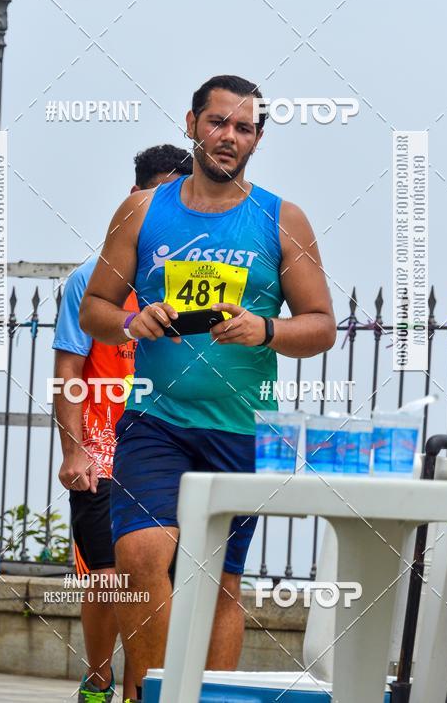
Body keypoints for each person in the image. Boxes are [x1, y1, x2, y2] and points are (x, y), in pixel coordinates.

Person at [80, 74, 337, 700]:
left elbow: (322, 326)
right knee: (140, 556)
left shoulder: (282, 219)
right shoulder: (143, 210)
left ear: (257, 140)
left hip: (239, 429)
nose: (229, 137)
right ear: (191, 123)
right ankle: (153, 693)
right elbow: (94, 309)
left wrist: (266, 329)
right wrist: (132, 321)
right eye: (218, 122)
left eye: (243, 128)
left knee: (219, 581)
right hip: (156, 421)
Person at [52, 144, 193, 703]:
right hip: (103, 453)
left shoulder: (192, 281)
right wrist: (74, 450)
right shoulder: (90, 280)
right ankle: (97, 679)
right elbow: (68, 369)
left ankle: (142, 691)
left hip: (168, 453)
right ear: (135, 197)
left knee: (154, 580)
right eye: (158, 196)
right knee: (107, 579)